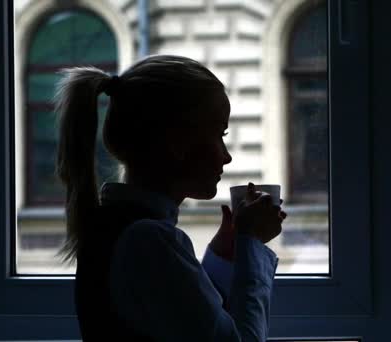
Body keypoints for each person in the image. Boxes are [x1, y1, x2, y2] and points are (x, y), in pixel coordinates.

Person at [53, 54, 287, 341]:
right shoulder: (150, 240)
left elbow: (186, 318)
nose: (226, 156)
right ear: (177, 143)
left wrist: (222, 255)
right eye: (219, 134)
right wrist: (251, 244)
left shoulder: (117, 227)